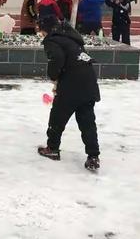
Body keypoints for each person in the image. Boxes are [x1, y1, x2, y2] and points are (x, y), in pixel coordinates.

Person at [37, 16, 101, 171]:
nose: (40, 34)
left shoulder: (52, 40)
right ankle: (93, 155)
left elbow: (57, 58)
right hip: (88, 82)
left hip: (72, 84)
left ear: (46, 29)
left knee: (57, 117)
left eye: (40, 30)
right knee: (87, 121)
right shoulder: (71, 37)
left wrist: (54, 76)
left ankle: (52, 148)